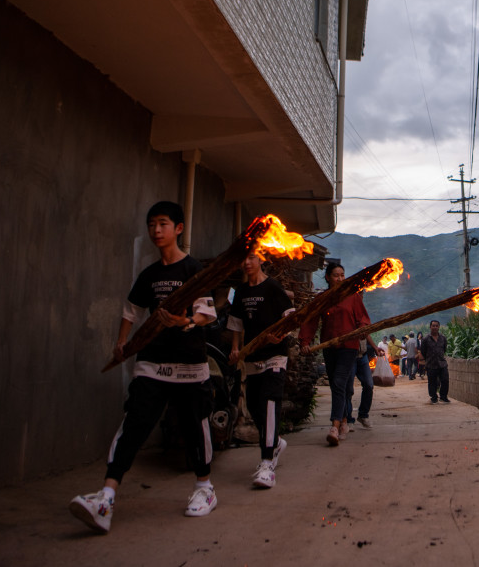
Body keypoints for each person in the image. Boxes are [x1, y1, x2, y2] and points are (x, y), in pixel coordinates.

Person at [69, 201, 219, 533]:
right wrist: (122, 343)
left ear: (178, 228)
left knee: (195, 425)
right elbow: (131, 309)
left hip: (190, 365)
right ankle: (106, 497)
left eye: (163, 224)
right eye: (152, 224)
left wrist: (184, 321)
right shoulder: (149, 274)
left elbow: (208, 313)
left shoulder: (193, 270)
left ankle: (204, 488)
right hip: (152, 362)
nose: (156, 230)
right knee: (134, 424)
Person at [227, 252, 294, 489]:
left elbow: (290, 317)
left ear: (261, 260)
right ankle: (275, 442)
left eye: (251, 258)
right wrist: (236, 349)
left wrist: (281, 334)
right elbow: (236, 323)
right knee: (255, 405)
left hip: (275, 355)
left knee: (269, 401)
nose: (246, 262)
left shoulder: (273, 287)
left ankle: (267, 463)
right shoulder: (242, 292)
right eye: (243, 258)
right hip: (252, 357)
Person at [299, 262, 371, 446]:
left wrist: (362, 329)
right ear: (328, 278)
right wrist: (305, 342)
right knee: (337, 385)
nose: (340, 278)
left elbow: (363, 319)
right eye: (336, 275)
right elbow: (311, 321)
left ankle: (334, 426)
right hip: (329, 346)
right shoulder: (322, 299)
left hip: (349, 346)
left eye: (342, 275)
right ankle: (345, 420)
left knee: (339, 381)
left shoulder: (353, 297)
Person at [345, 334, 382, 429]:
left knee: (369, 384)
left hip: (363, 356)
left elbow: (367, 333)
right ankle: (348, 419)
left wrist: (374, 347)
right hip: (349, 356)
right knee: (348, 389)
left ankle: (363, 415)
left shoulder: (362, 320)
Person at [420, 320, 450, 404]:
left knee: (445, 380)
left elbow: (444, 349)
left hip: (442, 363)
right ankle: (434, 397)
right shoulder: (426, 339)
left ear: (439, 327)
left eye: (437, 326)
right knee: (432, 382)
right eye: (433, 326)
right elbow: (423, 351)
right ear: (430, 327)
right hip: (431, 364)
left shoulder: (443, 338)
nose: (435, 327)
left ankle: (443, 397)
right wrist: (428, 358)